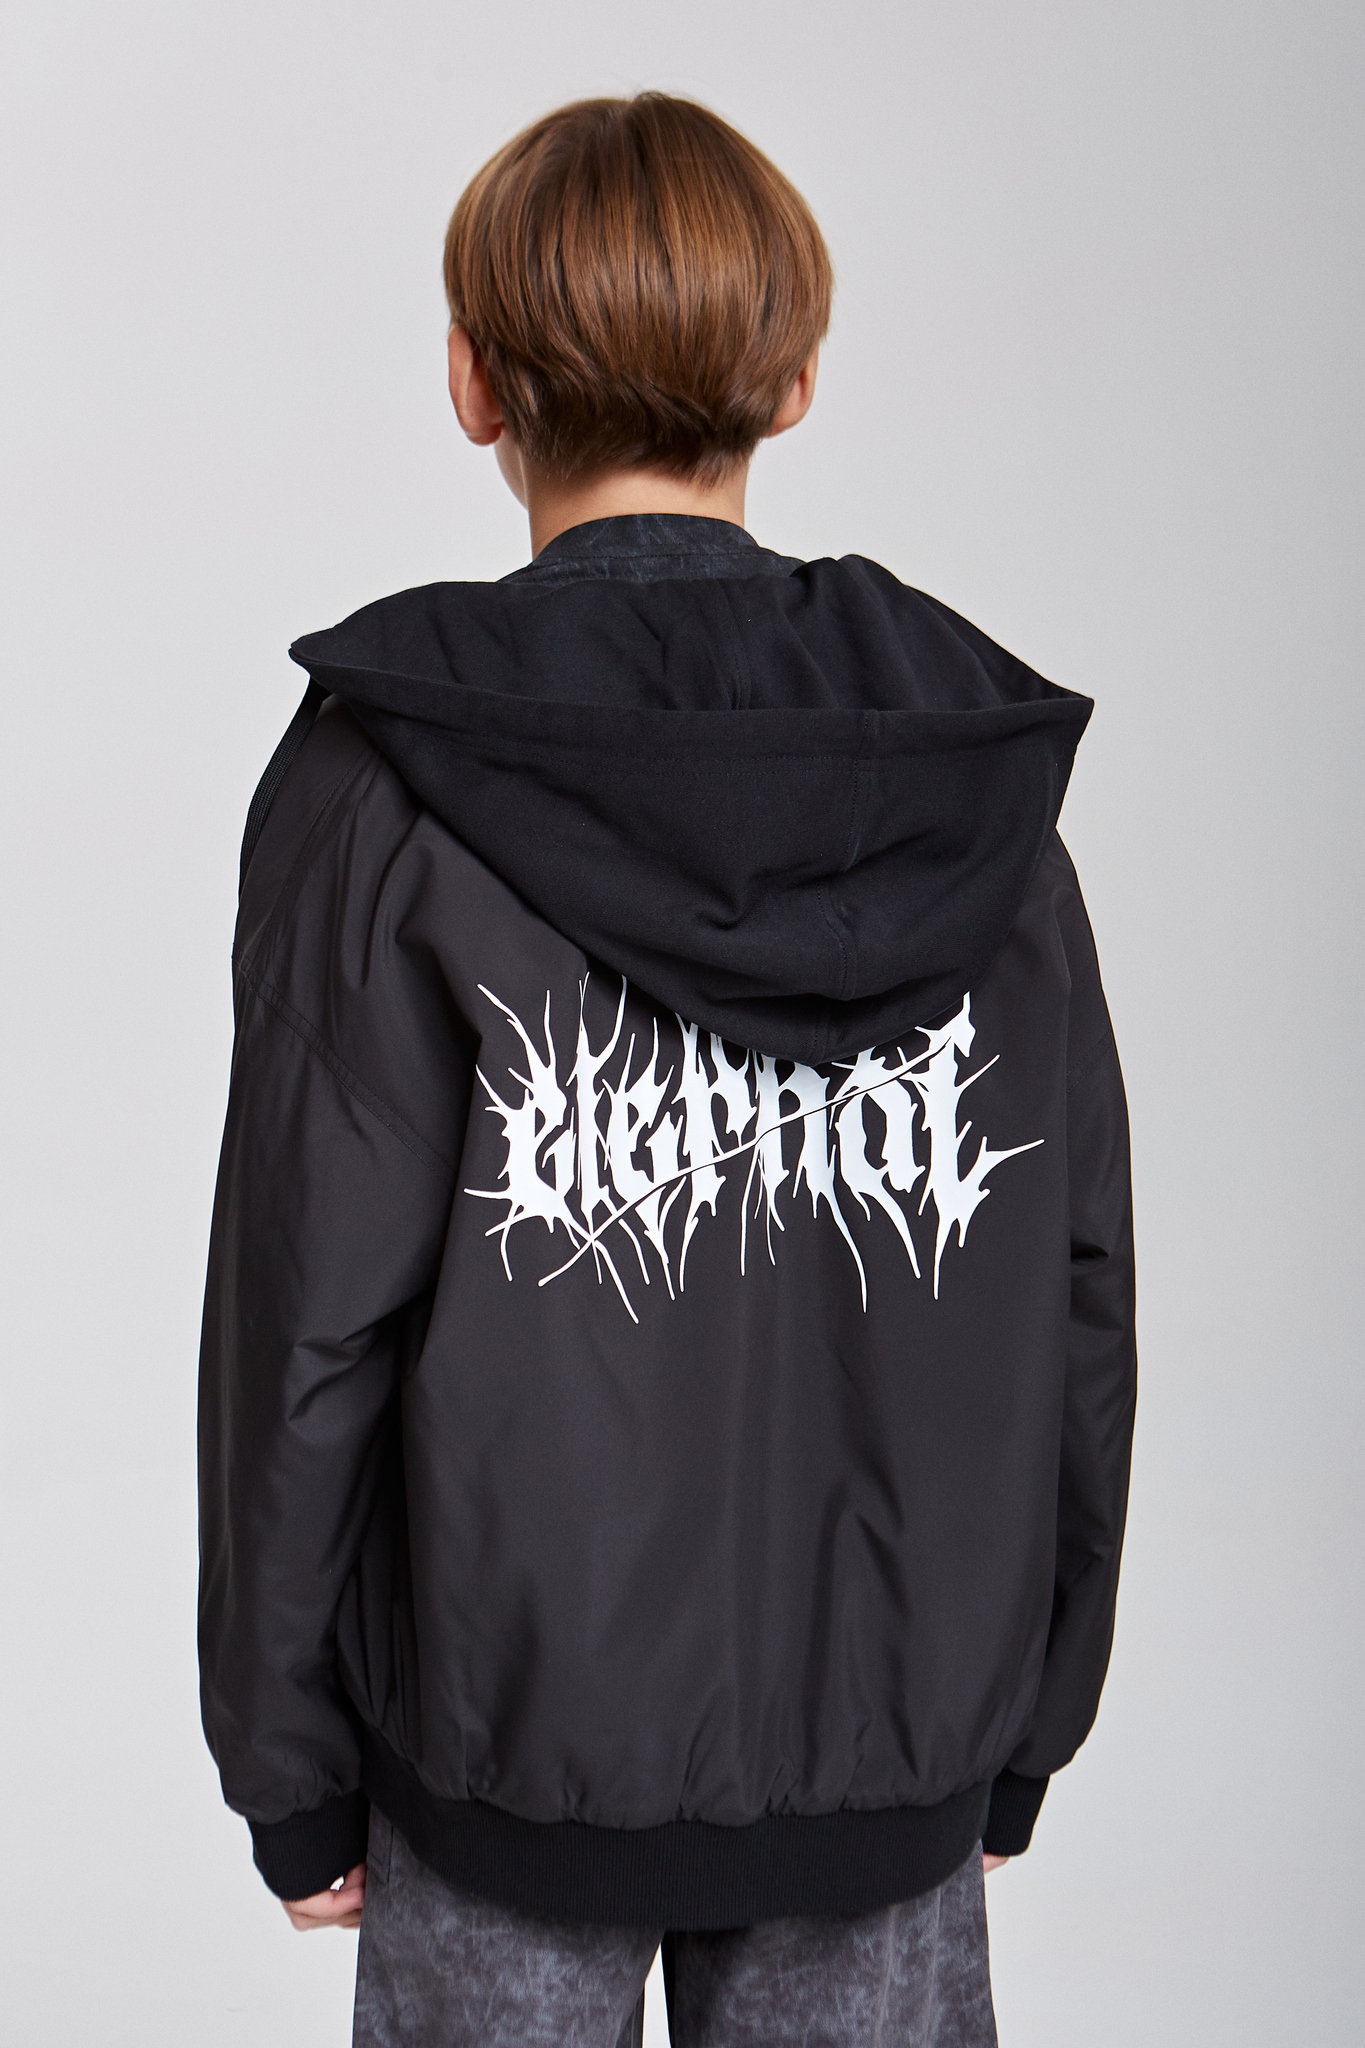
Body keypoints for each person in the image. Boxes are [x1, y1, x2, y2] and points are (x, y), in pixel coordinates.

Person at [198, 92, 1137, 2047]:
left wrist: (287, 1758)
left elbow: (304, 1316)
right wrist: (1020, 1722)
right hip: (887, 1753)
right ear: (791, 382)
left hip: (500, 1748)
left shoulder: (384, 787)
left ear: (470, 380)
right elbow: (1074, 1282)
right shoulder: (964, 789)